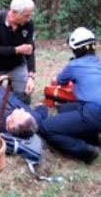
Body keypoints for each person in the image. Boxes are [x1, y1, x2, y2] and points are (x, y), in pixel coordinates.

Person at [38, 27, 101, 164]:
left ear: (75, 50)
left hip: (93, 113)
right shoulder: (98, 63)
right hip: (91, 108)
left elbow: (59, 81)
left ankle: (86, 151)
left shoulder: (74, 65)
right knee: (64, 109)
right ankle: (93, 138)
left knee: (45, 127)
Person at [0, 0, 36, 104]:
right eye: (26, 15)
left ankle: (11, 94)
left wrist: (31, 75)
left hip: (16, 66)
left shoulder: (28, 24)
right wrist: (17, 50)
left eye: (30, 15)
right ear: (14, 12)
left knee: (24, 98)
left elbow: (30, 50)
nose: (28, 18)